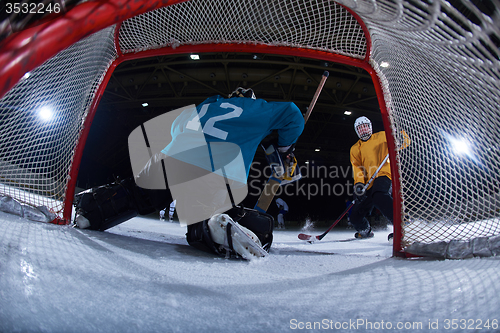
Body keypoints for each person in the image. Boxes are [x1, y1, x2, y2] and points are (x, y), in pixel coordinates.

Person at [75, 87, 304, 260]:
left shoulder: (205, 105)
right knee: (202, 216)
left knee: (136, 195)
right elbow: (293, 114)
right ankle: (214, 226)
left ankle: (90, 212)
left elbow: (176, 127)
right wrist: (285, 150)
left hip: (173, 158)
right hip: (219, 172)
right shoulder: (258, 109)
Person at [349, 116, 394, 239]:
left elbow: (404, 140)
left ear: (370, 127)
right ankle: (365, 231)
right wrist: (359, 185)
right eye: (360, 128)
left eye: (365, 126)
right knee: (355, 216)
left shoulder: (382, 136)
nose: (363, 130)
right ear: (357, 131)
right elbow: (357, 168)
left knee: (379, 195)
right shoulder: (355, 148)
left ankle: (401, 224)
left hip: (384, 174)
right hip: (369, 182)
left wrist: (401, 139)